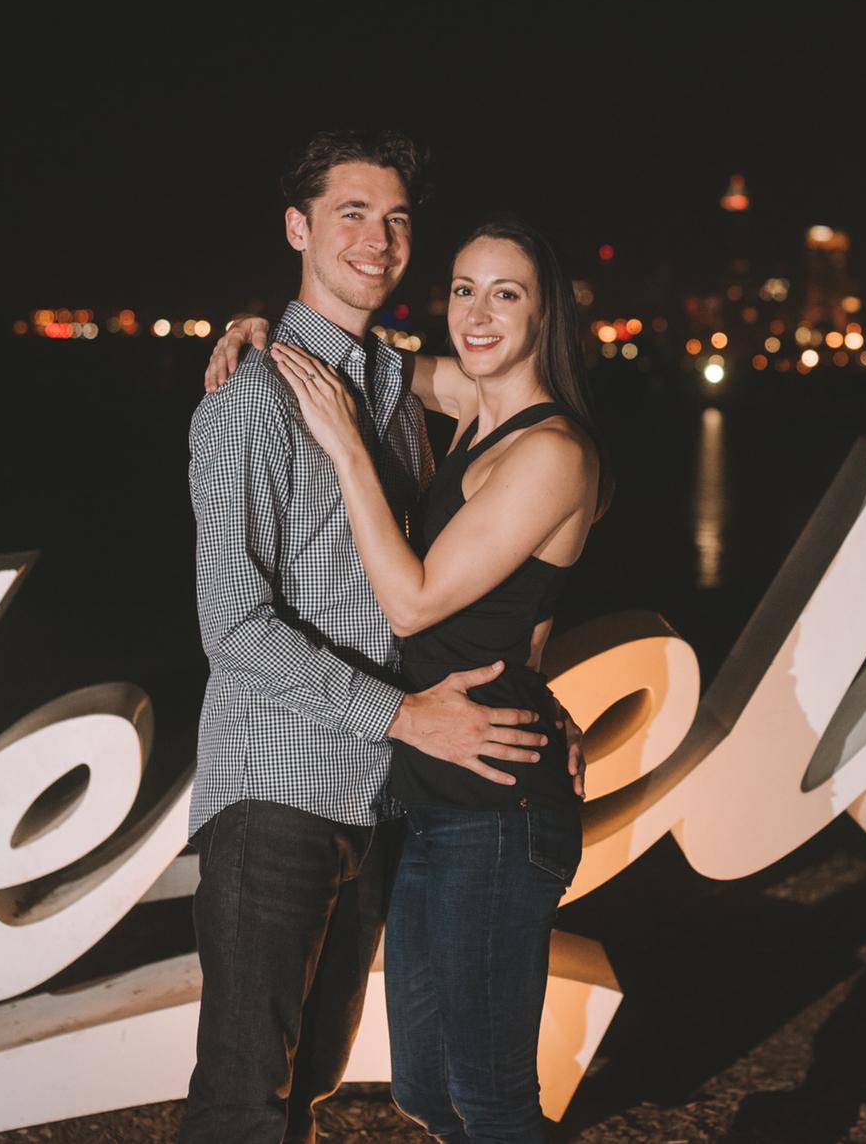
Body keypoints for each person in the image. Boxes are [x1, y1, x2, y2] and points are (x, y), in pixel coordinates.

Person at [183, 130, 581, 1144]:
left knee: (306, 1083)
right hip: (277, 785)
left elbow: (466, 585)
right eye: (350, 212)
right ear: (297, 227)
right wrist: (403, 712)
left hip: (376, 798)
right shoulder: (252, 401)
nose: (377, 235)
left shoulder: (394, 392)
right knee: (240, 1104)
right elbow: (231, 623)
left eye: (396, 217)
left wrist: (525, 694)